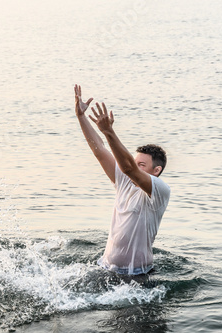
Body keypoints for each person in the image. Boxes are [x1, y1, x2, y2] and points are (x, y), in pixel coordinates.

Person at [74, 84, 170, 275]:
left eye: (141, 165)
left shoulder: (159, 190)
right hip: (105, 268)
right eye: (136, 162)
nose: (134, 167)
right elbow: (99, 151)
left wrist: (109, 132)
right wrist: (81, 117)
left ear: (156, 170)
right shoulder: (124, 181)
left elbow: (128, 167)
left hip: (138, 275)